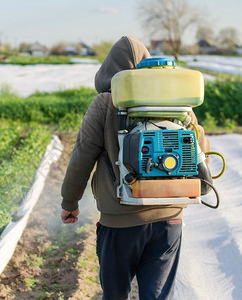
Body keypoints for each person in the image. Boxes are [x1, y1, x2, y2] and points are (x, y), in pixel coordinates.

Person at [60, 36, 211, 300]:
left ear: (109, 71)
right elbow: (201, 153)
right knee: (157, 295)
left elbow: (82, 156)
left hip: (119, 222)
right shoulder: (178, 104)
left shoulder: (105, 103)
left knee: (116, 294)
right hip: (169, 218)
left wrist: (70, 200)